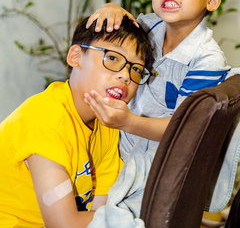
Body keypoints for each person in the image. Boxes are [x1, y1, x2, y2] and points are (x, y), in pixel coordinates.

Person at [85, 0, 231, 161]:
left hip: (156, 164)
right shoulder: (145, 26)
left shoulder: (206, 59)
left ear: (211, 0)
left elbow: (187, 127)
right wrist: (111, 7)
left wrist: (127, 121)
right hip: (115, 149)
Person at [0, 15, 153, 228]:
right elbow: (64, 224)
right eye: (112, 58)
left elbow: (101, 210)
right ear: (75, 57)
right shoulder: (44, 120)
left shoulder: (107, 125)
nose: (126, 75)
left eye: (136, 69)